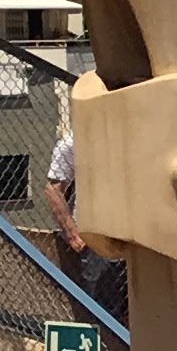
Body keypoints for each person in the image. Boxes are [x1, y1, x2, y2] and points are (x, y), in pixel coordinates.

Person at [43, 126, 132, 327]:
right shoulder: (73, 142)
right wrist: (74, 235)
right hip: (97, 236)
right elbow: (53, 189)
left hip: (135, 233)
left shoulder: (133, 134)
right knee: (104, 308)